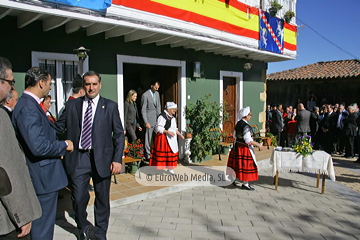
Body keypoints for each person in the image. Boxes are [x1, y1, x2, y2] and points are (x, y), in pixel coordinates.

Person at [55, 70, 125, 240]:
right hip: (79, 158)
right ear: (83, 86)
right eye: (88, 84)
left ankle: (100, 233)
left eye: (94, 84)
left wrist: (117, 159)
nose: (91, 87)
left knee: (102, 199)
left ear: (99, 85)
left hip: (103, 159)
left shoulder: (110, 106)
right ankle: (84, 227)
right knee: (78, 197)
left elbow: (118, 134)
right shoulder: (72, 105)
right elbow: (58, 127)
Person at [12, 67, 73, 240]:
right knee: (42, 229)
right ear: (41, 83)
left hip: (43, 177)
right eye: (49, 83)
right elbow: (38, 146)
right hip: (42, 178)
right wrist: (64, 145)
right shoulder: (28, 108)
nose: (50, 87)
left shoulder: (29, 105)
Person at [0, 57, 41, 239]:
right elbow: (4, 171)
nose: (12, 88)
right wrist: (21, 214)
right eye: (10, 82)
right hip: (7, 221)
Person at [227, 106, 263, 191]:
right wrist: (258, 145)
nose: (250, 116)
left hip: (237, 146)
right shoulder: (246, 126)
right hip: (244, 148)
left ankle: (233, 179)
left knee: (237, 163)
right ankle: (245, 184)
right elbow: (248, 140)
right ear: (246, 115)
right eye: (250, 115)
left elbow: (234, 136)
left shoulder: (238, 124)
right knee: (246, 165)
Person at [149, 102, 184, 174]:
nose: (174, 113)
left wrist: (180, 134)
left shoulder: (173, 118)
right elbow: (158, 128)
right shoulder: (162, 117)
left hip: (171, 138)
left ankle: (170, 169)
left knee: (171, 153)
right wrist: (167, 132)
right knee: (164, 154)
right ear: (169, 109)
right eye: (173, 111)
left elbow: (175, 128)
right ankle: (159, 169)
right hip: (163, 138)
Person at [141, 81, 161, 160]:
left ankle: (157, 152)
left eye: (158, 87)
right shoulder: (145, 95)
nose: (157, 89)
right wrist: (146, 122)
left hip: (157, 120)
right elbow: (143, 110)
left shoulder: (157, 94)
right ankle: (148, 154)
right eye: (156, 87)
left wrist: (160, 119)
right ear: (151, 86)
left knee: (158, 136)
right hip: (149, 120)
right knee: (148, 138)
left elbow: (158, 106)